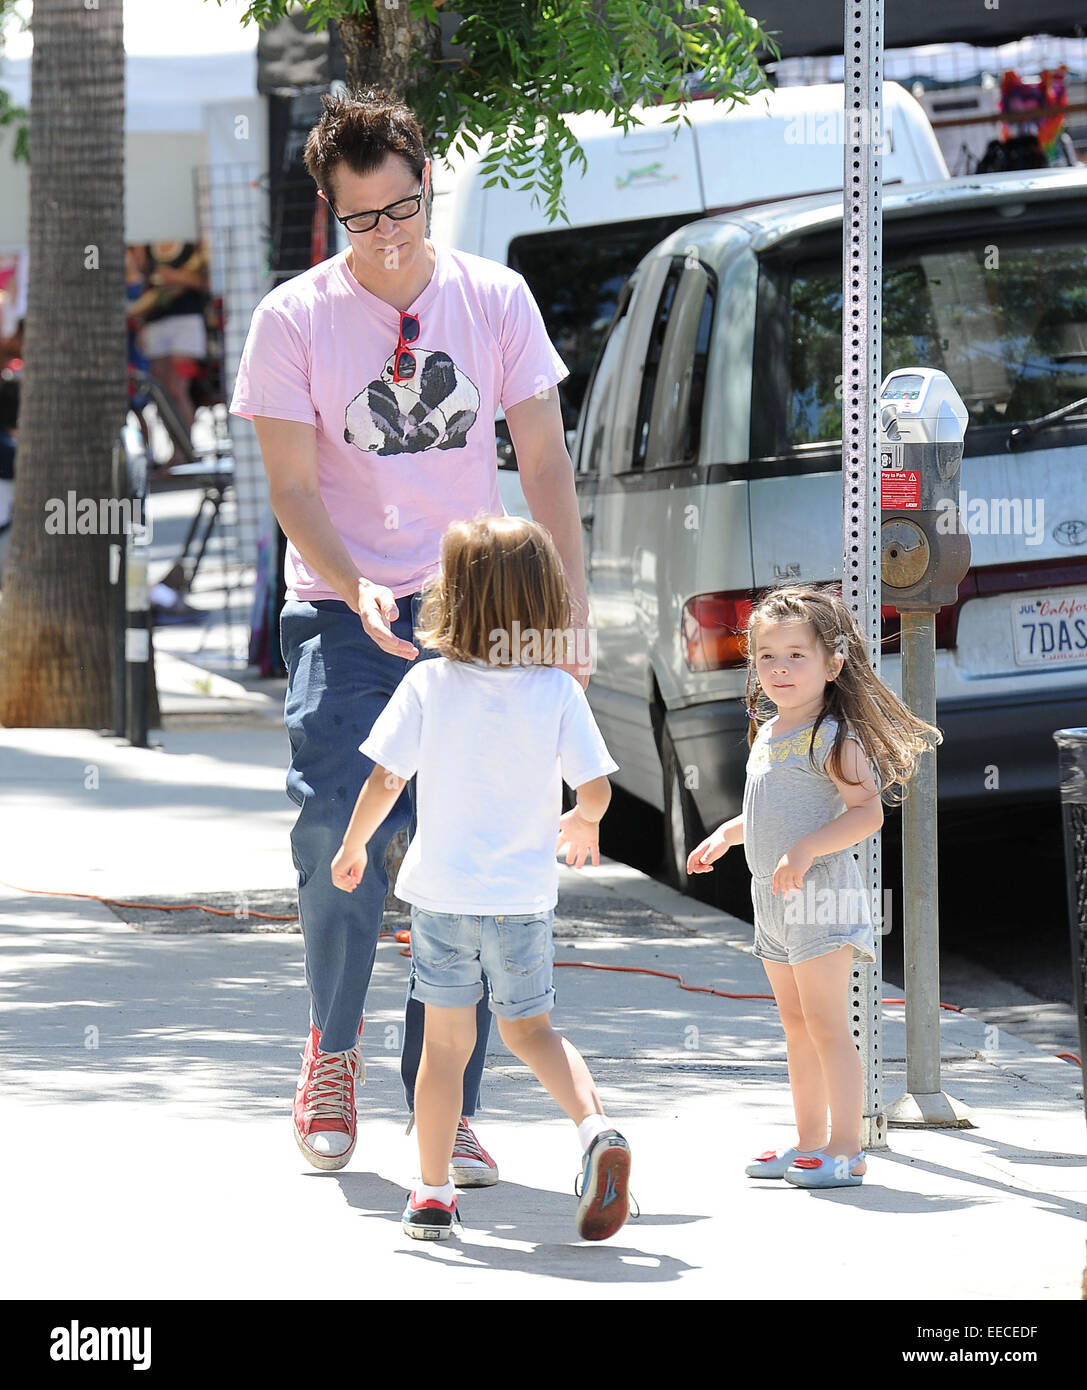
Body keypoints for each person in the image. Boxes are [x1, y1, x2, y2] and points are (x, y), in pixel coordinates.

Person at [228, 88, 590, 1183]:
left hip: (480, 610)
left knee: (472, 851)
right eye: (363, 220)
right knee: (343, 826)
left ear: (427, 184)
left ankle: (451, 1102)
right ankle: (330, 1050)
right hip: (346, 611)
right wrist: (352, 582)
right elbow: (291, 485)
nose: (389, 238)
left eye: (405, 209)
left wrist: (566, 616)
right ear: (330, 214)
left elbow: (542, 464)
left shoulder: (496, 297)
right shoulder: (291, 318)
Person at [330, 516, 630, 1241]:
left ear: (453, 598)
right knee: (531, 1031)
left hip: (443, 900)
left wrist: (352, 847)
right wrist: (581, 820)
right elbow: (595, 790)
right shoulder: (556, 692)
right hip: (521, 902)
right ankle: (594, 1130)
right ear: (545, 601)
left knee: (444, 1050)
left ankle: (432, 1193)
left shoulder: (430, 684)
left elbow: (383, 777)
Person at [688, 583, 940, 1188]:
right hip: (774, 901)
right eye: (767, 655)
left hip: (822, 897)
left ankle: (846, 1148)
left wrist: (804, 850)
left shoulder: (833, 735)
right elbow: (776, 808)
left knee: (829, 1025)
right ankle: (807, 1143)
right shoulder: (770, 731)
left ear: (832, 663)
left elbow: (867, 813)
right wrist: (728, 835)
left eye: (796, 655)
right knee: (796, 1026)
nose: (779, 668)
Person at [134, 239, 210, 469]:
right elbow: (141, 279)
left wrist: (175, 278)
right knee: (162, 392)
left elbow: (207, 281)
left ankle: (185, 451)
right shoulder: (146, 243)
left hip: (186, 320)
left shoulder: (192, 241)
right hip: (155, 321)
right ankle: (177, 452)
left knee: (178, 389)